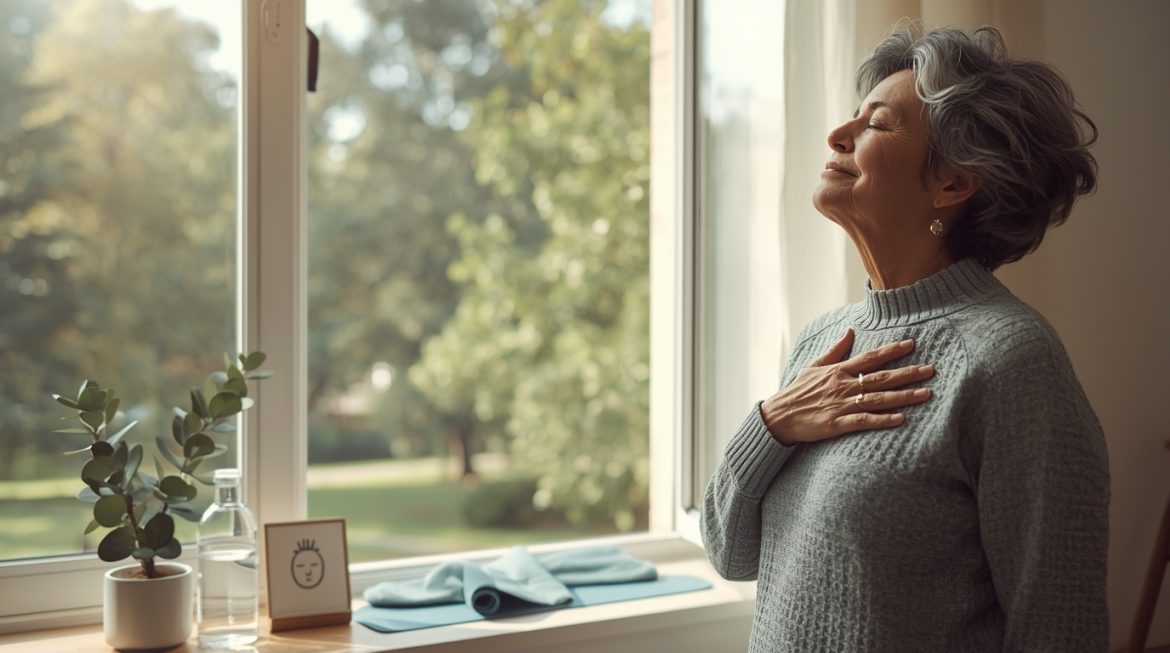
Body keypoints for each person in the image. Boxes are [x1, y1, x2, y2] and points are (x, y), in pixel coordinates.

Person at [700, 24, 1109, 652]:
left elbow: (1058, 624)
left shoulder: (1010, 362)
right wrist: (772, 422)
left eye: (878, 124)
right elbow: (731, 553)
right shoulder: (822, 340)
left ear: (951, 181)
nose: (838, 135)